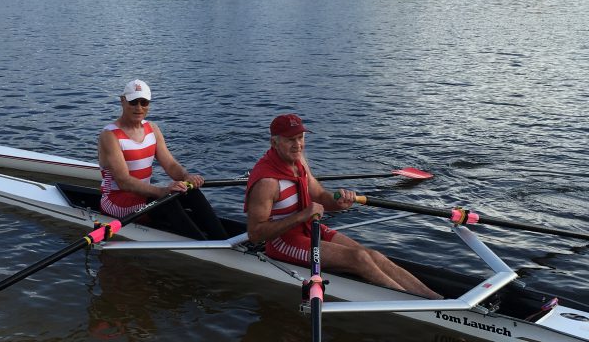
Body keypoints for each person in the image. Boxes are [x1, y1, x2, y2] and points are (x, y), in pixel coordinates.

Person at [244, 114, 438, 297]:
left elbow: (319, 196)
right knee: (358, 259)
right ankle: (418, 307)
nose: (298, 145)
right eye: (290, 140)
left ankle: (436, 299)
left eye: (301, 138)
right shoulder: (266, 182)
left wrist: (339, 203)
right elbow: (255, 234)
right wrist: (302, 215)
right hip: (283, 243)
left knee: (373, 255)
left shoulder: (299, 161)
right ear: (274, 143)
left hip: (309, 229)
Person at [98, 79, 227, 240]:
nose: (139, 107)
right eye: (133, 102)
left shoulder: (152, 128)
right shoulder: (110, 136)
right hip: (116, 202)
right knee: (168, 201)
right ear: (123, 101)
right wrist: (162, 191)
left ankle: (222, 239)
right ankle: (208, 248)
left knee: (191, 192)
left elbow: (171, 165)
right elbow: (124, 181)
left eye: (143, 102)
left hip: (142, 195)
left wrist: (187, 177)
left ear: (149, 103)